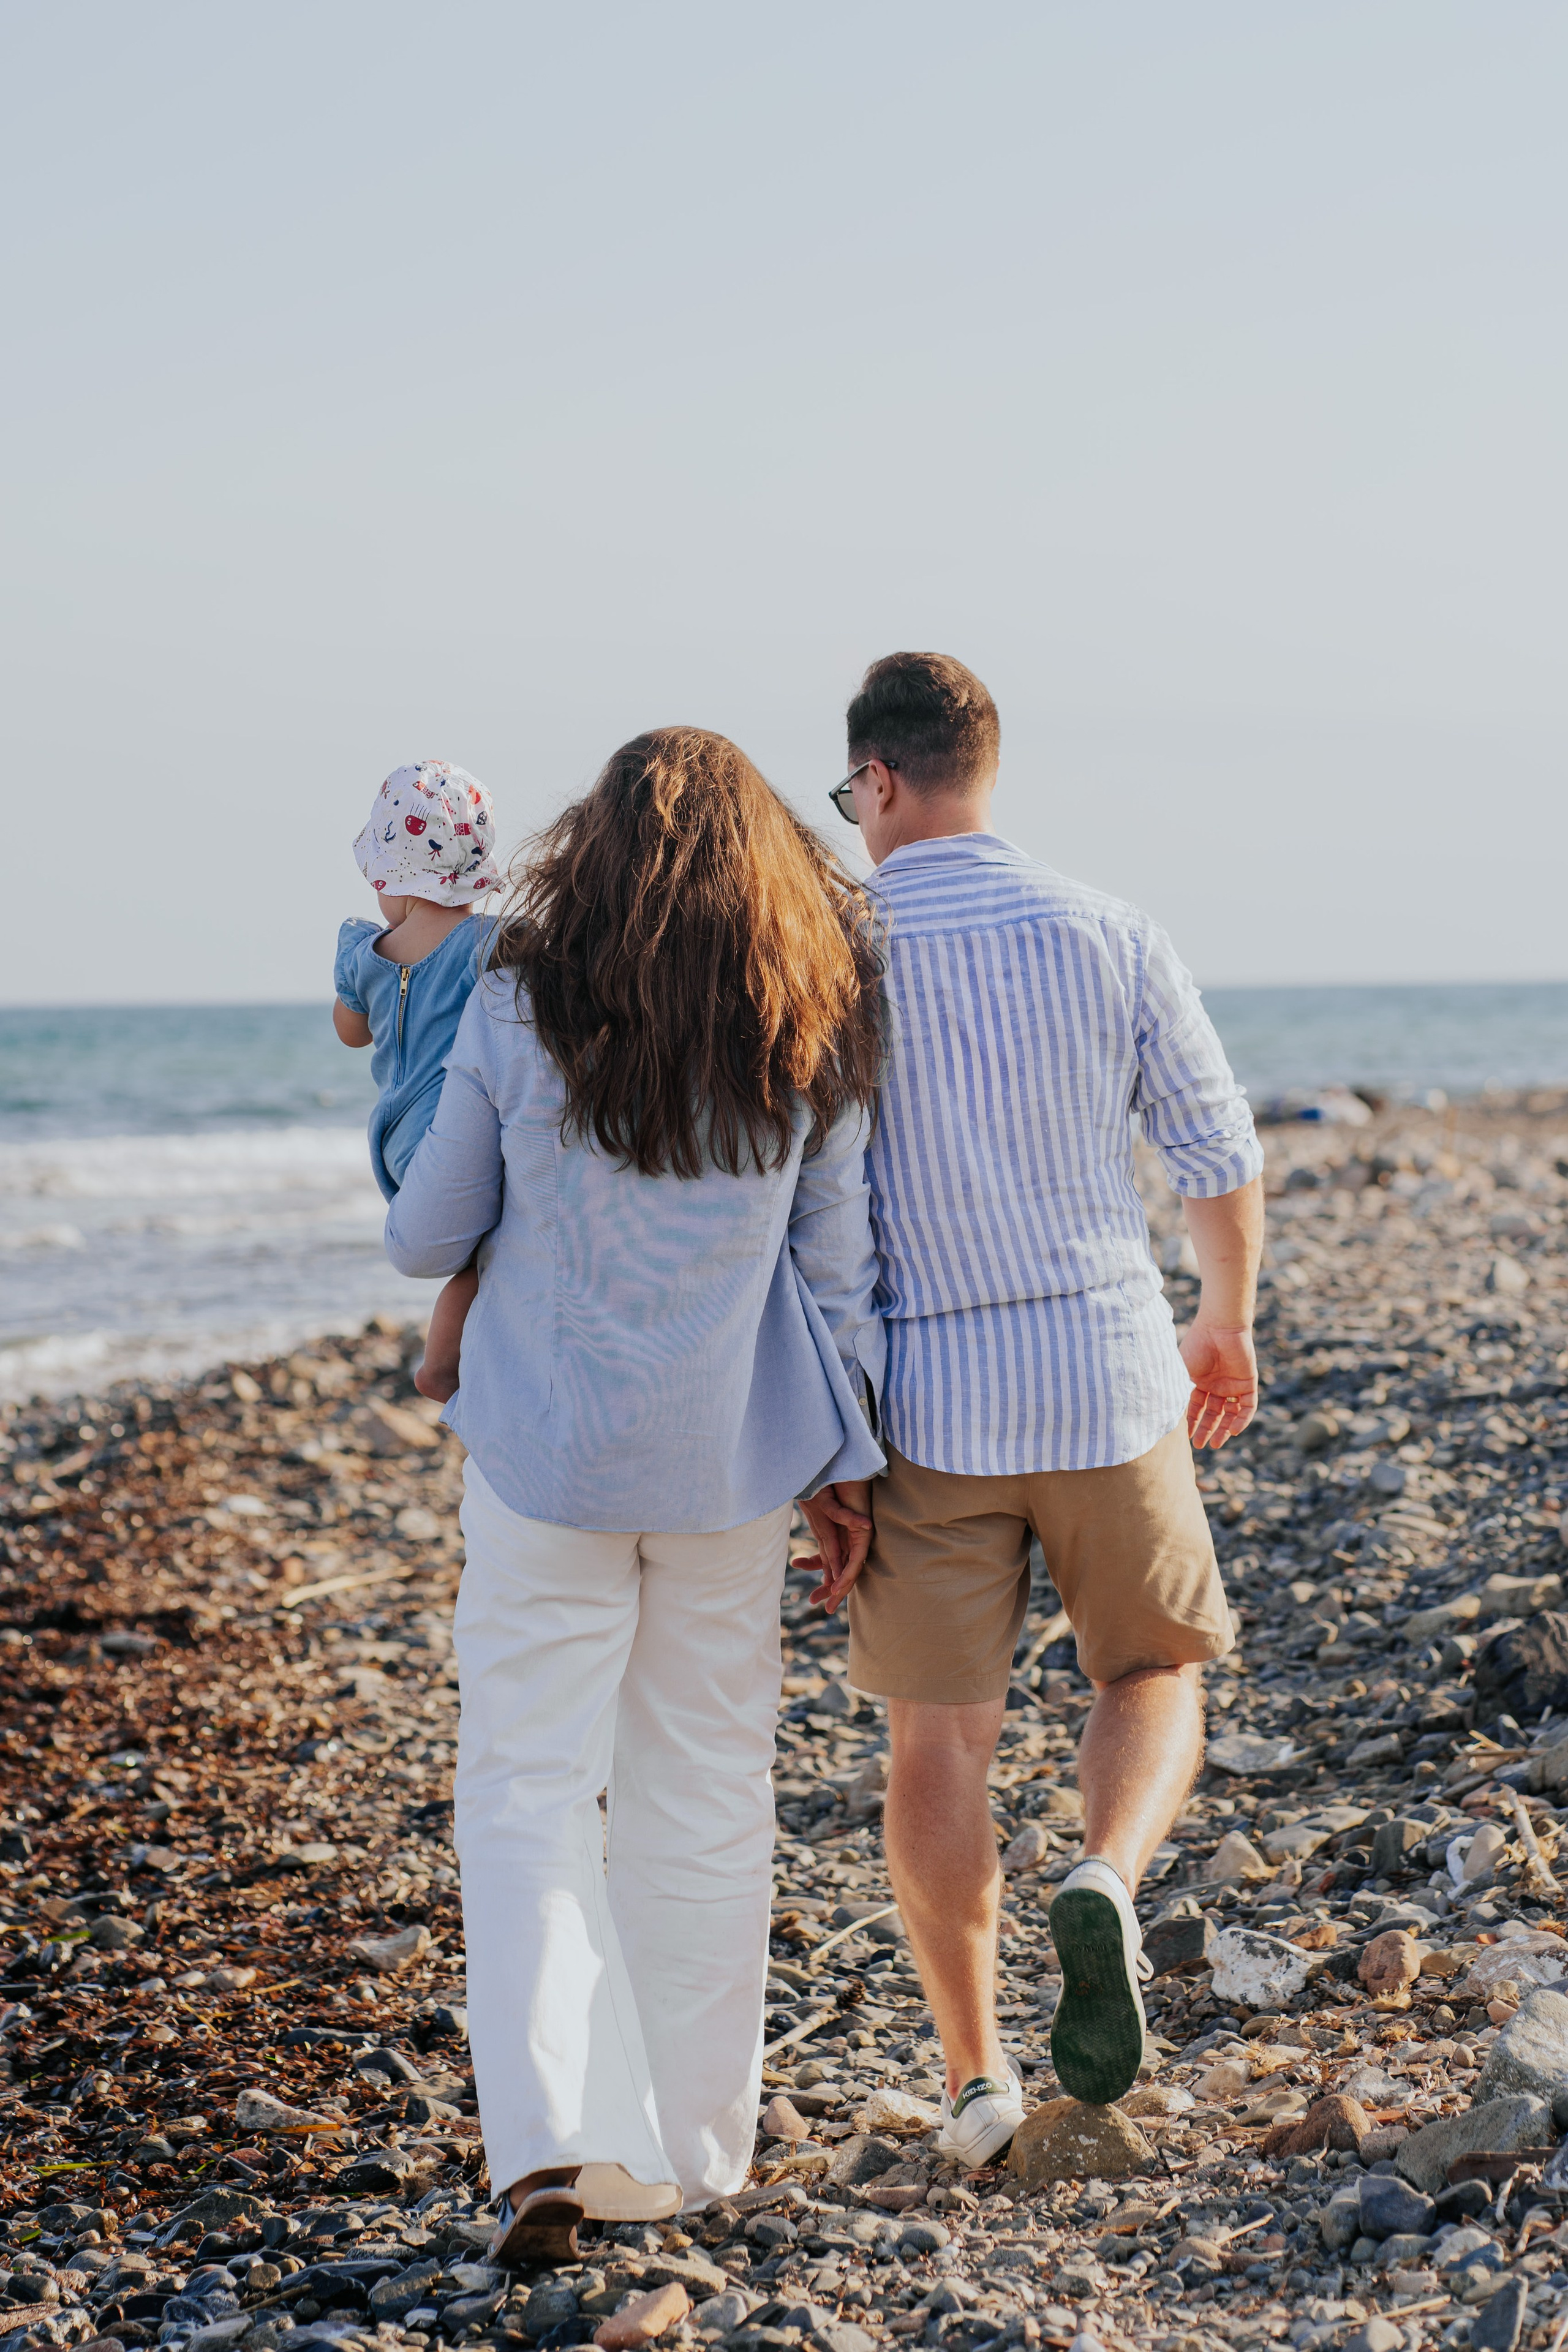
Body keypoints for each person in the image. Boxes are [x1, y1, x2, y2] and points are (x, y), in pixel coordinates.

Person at [383, 728, 888, 2261]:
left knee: (527, 1786)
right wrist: (846, 1466)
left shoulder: (518, 1001)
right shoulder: (805, 1018)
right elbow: (834, 1270)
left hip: (545, 1465)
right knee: (707, 1789)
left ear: (586, 856)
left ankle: (551, 2142)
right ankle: (689, 2149)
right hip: (727, 1467)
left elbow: (425, 1235)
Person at [804, 652, 1264, 2165]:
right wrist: (1222, 1317)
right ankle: (1111, 1878)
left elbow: (807, 1202)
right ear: (980, 766)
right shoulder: (1105, 926)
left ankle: (977, 2077)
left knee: (939, 1737)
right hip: (1103, 1370)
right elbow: (1213, 1150)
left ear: (876, 779)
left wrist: (824, 1431)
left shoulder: (838, 948)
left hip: (926, 1400)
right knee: (1147, 1668)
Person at [333, 760, 500, 1403]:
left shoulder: (361, 952)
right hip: (462, 1142)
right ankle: (439, 1366)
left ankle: (441, 1368)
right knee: (490, 1258)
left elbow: (352, 1034)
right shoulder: (489, 945)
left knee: (472, 1258)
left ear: (389, 877)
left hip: (396, 1148)